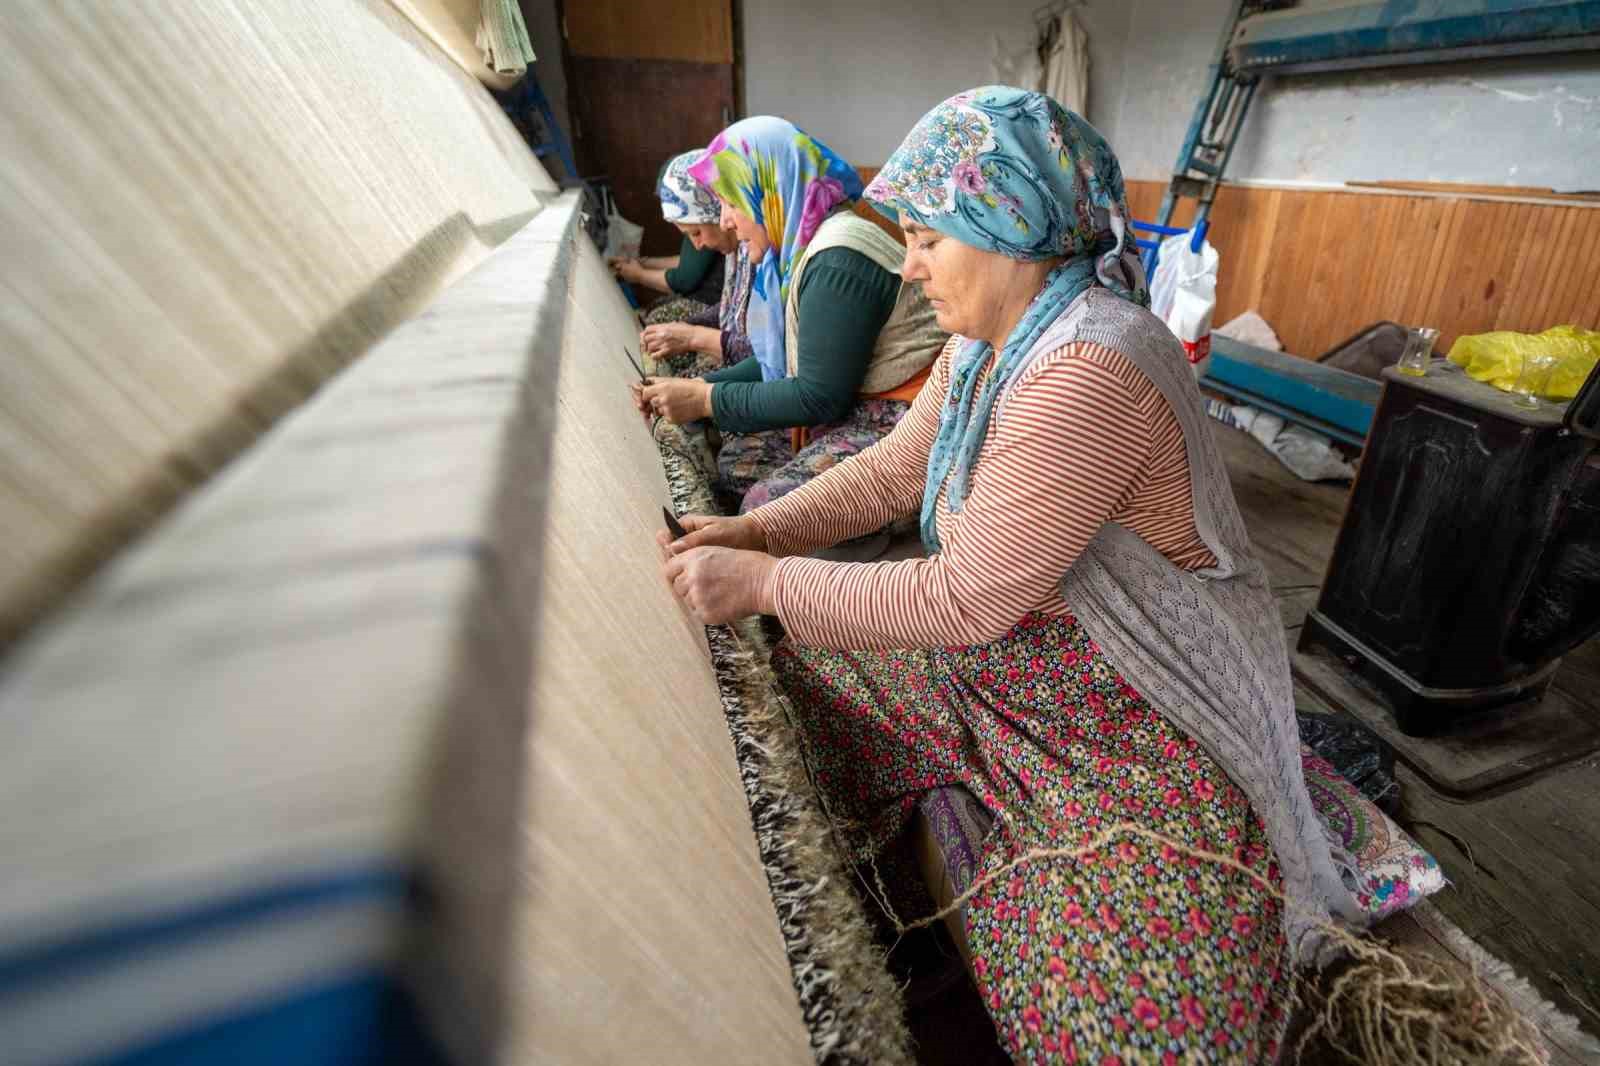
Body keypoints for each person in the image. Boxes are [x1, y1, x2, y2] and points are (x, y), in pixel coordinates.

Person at [656, 87, 1364, 1063]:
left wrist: (765, 584)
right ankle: (900, 889)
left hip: (1143, 689)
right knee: (821, 670)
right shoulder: (991, 341)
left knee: (1124, 1017)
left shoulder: (1087, 368)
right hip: (1043, 641)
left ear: (1008, 232)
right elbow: (894, 468)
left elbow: (966, 597)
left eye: (926, 240)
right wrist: (761, 536)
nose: (907, 264)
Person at [631, 117, 946, 514]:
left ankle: (878, 538)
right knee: (739, 462)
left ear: (768, 191)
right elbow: (781, 361)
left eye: (731, 202)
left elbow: (819, 396)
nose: (725, 219)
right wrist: (697, 387)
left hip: (910, 421)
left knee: (770, 506)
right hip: (864, 397)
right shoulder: (798, 251)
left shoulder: (836, 261)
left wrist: (704, 398)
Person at [635, 152, 755, 379]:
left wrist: (691, 336)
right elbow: (735, 307)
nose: (699, 246)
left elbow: (767, 357)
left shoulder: (757, 251)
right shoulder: (737, 252)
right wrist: (685, 327)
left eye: (697, 233)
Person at [609, 151, 733, 327]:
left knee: (657, 319)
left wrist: (639, 275)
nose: (697, 245)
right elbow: (686, 263)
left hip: (709, 300)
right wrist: (642, 263)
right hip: (714, 304)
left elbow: (684, 278)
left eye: (695, 233)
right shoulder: (703, 222)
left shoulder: (705, 216)